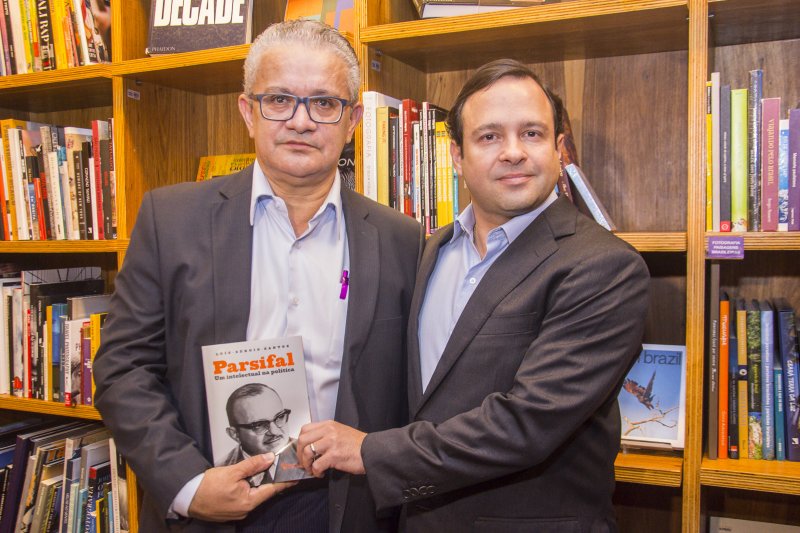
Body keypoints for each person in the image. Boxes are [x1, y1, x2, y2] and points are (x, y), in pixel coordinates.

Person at [93, 19, 423, 533]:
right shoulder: (171, 219)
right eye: (279, 100)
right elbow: (123, 368)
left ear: (352, 119)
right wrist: (188, 484)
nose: (301, 121)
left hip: (344, 508)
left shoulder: (401, 238)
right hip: (211, 500)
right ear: (248, 111)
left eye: (324, 103)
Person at [298, 59, 651, 532]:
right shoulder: (431, 250)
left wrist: (367, 450)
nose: (513, 153)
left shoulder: (605, 268)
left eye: (532, 134)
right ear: (457, 157)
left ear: (560, 150)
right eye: (489, 137)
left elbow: (526, 424)